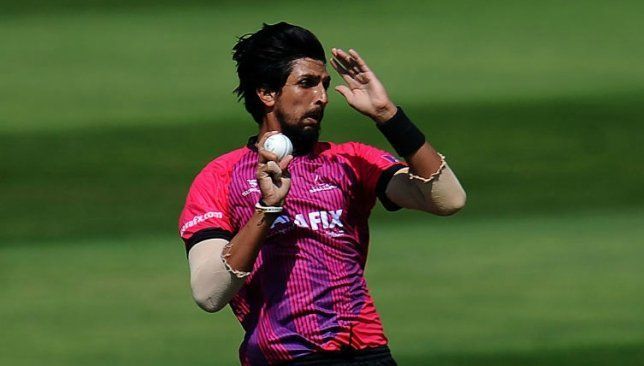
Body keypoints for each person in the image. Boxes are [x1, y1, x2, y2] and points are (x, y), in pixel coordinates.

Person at [178, 22, 466, 366]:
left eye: (325, 84)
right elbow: (209, 294)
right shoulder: (221, 176)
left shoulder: (352, 160)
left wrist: (388, 115)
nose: (323, 97)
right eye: (307, 83)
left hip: (367, 353)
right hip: (284, 358)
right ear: (267, 93)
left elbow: (449, 199)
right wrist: (267, 211)